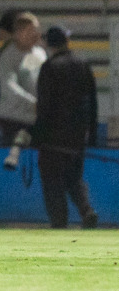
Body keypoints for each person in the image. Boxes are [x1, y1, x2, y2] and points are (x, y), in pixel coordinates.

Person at [31, 26, 99, 229]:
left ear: (48, 44)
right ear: (66, 41)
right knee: (74, 179)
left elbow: (44, 106)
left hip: (53, 137)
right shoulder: (83, 64)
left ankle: (59, 222)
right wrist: (92, 133)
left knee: (52, 182)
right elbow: (92, 101)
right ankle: (86, 210)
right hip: (77, 135)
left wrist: (37, 135)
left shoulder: (49, 67)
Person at [0, 11, 46, 143]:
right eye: (31, 30)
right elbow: (9, 87)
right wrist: (33, 103)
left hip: (36, 119)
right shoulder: (8, 56)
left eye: (36, 30)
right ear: (18, 33)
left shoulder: (40, 54)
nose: (35, 34)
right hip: (14, 119)